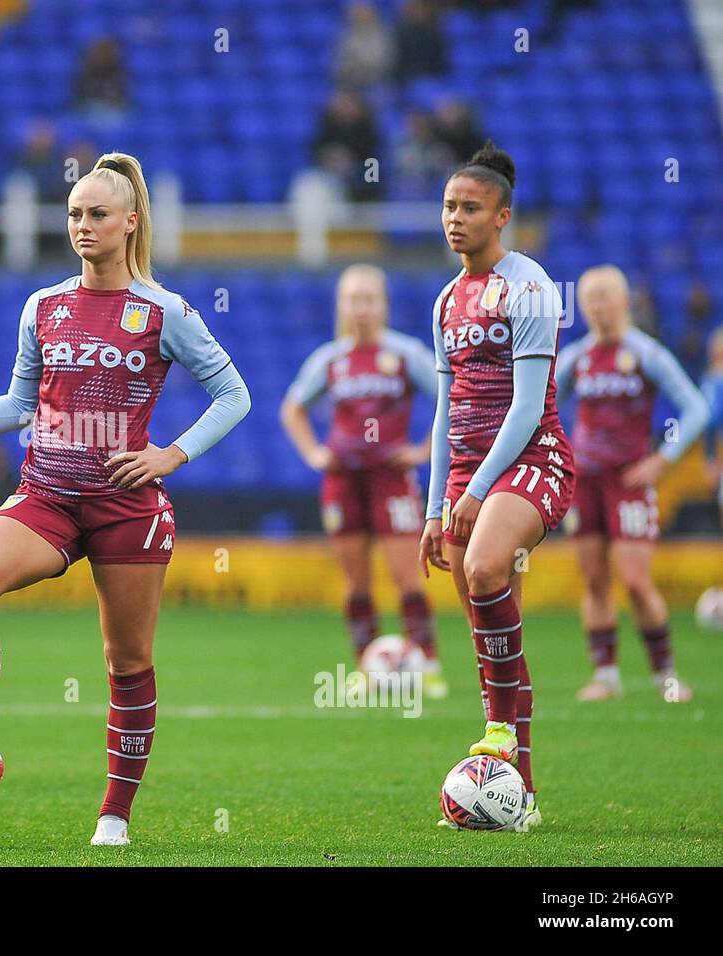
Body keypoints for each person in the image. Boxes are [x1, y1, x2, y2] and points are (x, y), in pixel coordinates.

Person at [0, 153, 251, 846]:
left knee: (127, 663)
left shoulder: (163, 311)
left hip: (126, 507)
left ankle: (113, 816)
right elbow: (20, 404)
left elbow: (235, 394)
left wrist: (171, 453)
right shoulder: (43, 306)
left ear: (130, 222)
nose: (82, 225)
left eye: (97, 214)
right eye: (73, 213)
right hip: (46, 494)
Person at [418, 142, 572, 832]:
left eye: (470, 208)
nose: (455, 218)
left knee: (483, 568)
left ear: (501, 216)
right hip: (466, 472)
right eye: (449, 206)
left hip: (532, 458)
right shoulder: (448, 299)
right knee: (491, 637)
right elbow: (445, 409)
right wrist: (434, 507)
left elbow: (528, 406)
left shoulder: (531, 287)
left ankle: (499, 736)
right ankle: (522, 796)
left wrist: (476, 492)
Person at [281, 264, 446, 696]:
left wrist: (423, 450)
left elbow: (448, 398)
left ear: (383, 304)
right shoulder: (331, 359)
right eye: (354, 299)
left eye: (369, 299)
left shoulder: (406, 354)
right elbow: (292, 408)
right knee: (356, 581)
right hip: (343, 479)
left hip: (391, 478)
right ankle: (365, 665)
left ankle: (427, 663)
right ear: (342, 306)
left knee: (407, 574)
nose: (362, 308)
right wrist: (315, 453)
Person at [556, 265, 710, 702]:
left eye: (605, 296)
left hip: (629, 481)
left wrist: (663, 457)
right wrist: (561, 452)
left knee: (636, 580)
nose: (597, 306)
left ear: (624, 301)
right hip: (585, 481)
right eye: (589, 299)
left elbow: (695, 409)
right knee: (594, 579)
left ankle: (665, 675)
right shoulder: (578, 358)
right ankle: (605, 674)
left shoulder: (647, 354)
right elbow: (542, 407)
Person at [703, 327, 723, 529]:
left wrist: (709, 458)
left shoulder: (714, 381)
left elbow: (710, 420)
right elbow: (710, 421)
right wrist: (710, 458)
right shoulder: (713, 380)